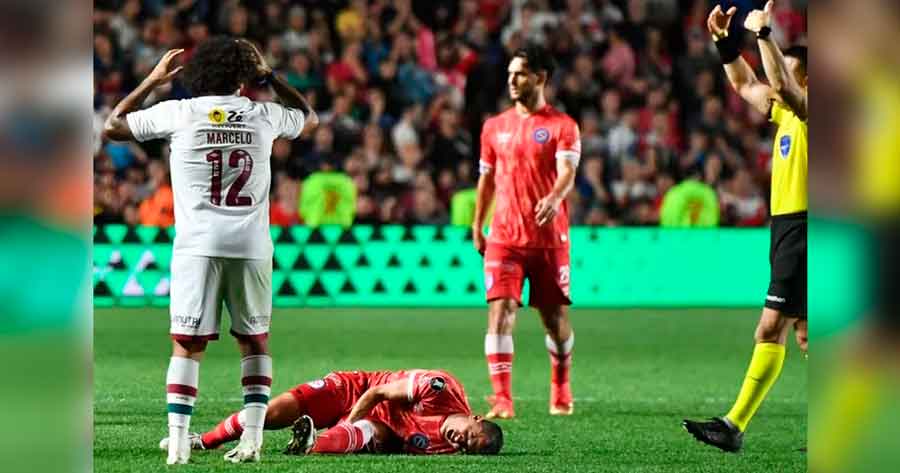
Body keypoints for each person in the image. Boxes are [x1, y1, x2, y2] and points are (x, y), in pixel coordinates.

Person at [101, 37, 319, 464]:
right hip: (252, 246)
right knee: (255, 342)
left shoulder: (180, 113)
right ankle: (252, 441)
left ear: (200, 74)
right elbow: (310, 119)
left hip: (198, 245)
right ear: (244, 79)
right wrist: (270, 75)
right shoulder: (262, 114)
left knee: (187, 346)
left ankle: (179, 443)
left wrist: (151, 80)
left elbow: (113, 125)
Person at [683, 1, 807, 453]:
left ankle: (733, 425)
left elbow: (785, 90)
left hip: (808, 229)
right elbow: (744, 82)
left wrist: (765, 34)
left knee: (770, 328)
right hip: (789, 230)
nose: (777, 83)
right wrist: (724, 42)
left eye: (788, 72)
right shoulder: (786, 112)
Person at [472, 44, 581, 419]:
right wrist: (477, 223)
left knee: (553, 319)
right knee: (500, 311)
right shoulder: (494, 127)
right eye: (509, 75)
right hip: (504, 236)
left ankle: (561, 385)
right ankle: (502, 398)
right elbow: (485, 181)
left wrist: (553, 197)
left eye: (519, 74)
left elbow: (568, 173)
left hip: (549, 239)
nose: (512, 81)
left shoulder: (562, 126)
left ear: (540, 77)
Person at [159, 369, 504, 455]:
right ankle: (203, 441)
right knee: (274, 412)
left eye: (465, 446)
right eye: (468, 435)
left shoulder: (446, 447)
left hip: (376, 423)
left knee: (378, 434)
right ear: (474, 417)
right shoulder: (440, 388)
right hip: (355, 389)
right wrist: (347, 421)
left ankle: (312, 444)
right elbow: (377, 392)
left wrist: (350, 432)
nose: (459, 441)